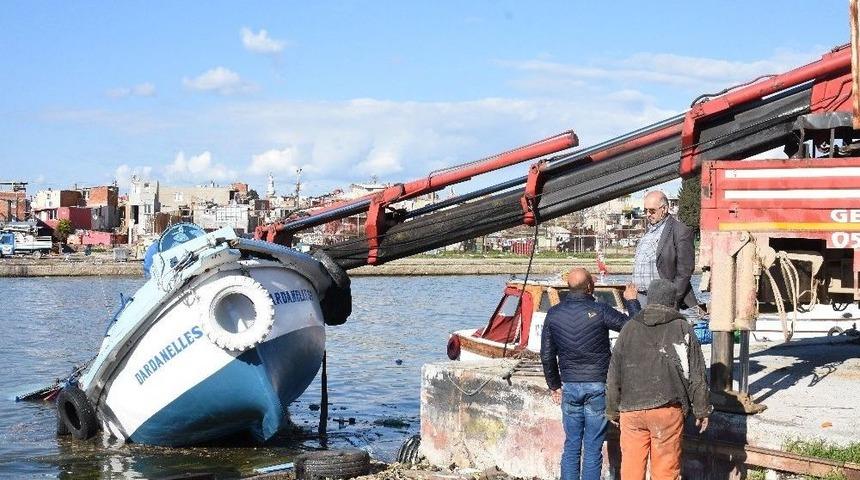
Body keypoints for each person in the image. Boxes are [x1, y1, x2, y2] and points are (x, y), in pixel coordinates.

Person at [605, 278, 712, 480]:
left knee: (631, 468)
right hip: (667, 409)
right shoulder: (682, 327)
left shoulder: (629, 328)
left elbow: (614, 373)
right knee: (665, 470)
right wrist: (701, 409)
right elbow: (697, 373)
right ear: (673, 302)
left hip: (631, 410)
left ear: (649, 299)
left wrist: (612, 409)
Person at [540, 267, 640, 480]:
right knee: (593, 447)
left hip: (570, 384)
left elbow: (547, 355)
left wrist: (554, 385)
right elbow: (634, 328)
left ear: (569, 287)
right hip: (597, 385)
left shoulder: (554, 314)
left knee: (572, 444)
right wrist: (631, 301)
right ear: (589, 287)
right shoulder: (600, 309)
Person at [632, 191, 698, 309]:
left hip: (663, 300)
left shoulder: (680, 231)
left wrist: (671, 298)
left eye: (652, 211)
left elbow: (685, 270)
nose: (648, 214)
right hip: (640, 297)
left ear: (664, 209)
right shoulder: (649, 231)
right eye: (645, 210)